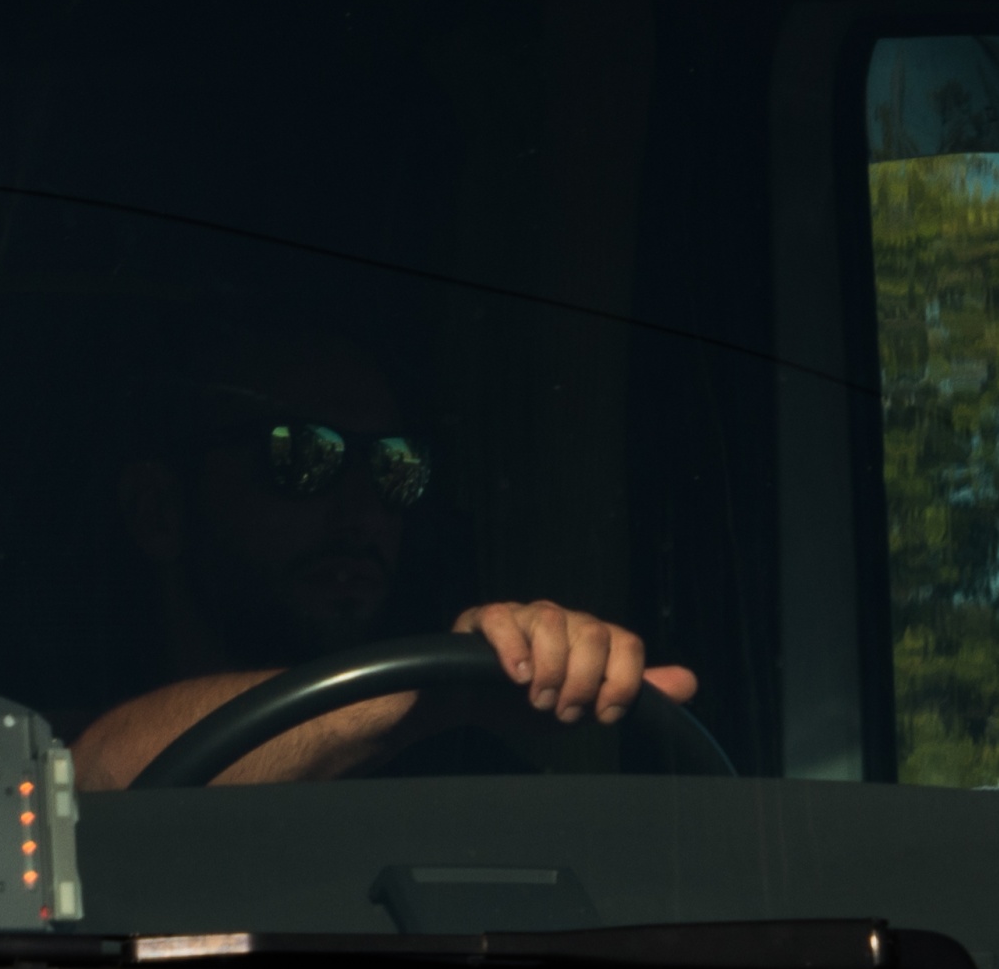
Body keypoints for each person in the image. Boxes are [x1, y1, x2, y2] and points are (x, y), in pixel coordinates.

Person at [68, 333, 695, 788]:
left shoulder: (461, 785)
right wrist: (432, 690)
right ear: (159, 510)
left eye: (395, 467)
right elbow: (93, 777)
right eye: (302, 457)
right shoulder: (28, 724)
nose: (363, 513)